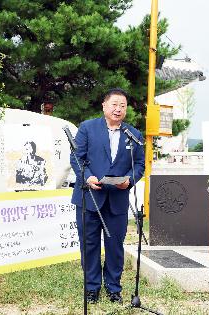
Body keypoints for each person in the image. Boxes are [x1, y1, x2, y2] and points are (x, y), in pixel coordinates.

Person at [70, 88, 145, 303]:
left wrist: (130, 179)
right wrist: (88, 177)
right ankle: (92, 289)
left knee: (115, 246)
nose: (118, 109)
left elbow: (139, 164)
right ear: (104, 106)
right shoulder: (87, 128)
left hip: (117, 200)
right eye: (114, 104)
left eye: (122, 105)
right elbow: (76, 157)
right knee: (90, 244)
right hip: (89, 198)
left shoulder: (133, 134)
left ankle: (114, 288)